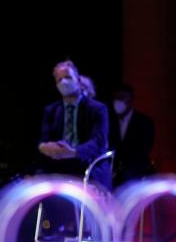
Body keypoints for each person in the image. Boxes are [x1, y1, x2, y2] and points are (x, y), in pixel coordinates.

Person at [37, 60, 112, 189]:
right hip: (58, 164)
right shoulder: (51, 110)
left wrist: (74, 152)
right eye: (59, 80)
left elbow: (99, 141)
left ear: (77, 80)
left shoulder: (97, 109)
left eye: (67, 77)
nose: (63, 82)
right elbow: (44, 139)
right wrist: (45, 147)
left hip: (87, 163)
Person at [108, 83, 155, 187]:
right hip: (114, 178)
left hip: (136, 176)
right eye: (116, 98)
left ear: (131, 99)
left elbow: (144, 150)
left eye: (122, 98)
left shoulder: (144, 122)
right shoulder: (109, 121)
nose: (118, 101)